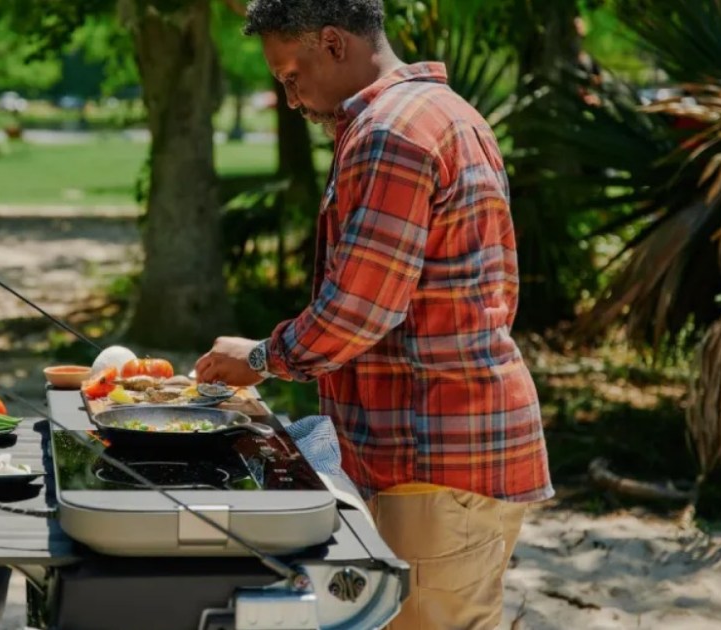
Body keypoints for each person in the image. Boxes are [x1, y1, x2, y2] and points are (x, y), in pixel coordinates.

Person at [193, 1, 553, 628]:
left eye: (289, 76)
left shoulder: (390, 133)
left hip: (434, 461)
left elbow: (359, 311)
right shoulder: (444, 112)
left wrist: (258, 358)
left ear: (332, 43)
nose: (290, 99)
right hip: (445, 454)